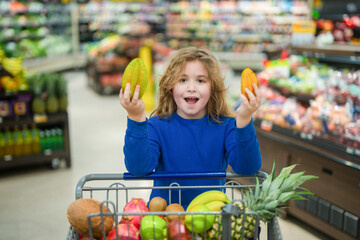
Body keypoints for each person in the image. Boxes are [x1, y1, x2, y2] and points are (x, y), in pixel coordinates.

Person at [119, 47, 262, 209]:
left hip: (211, 218)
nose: (191, 87)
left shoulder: (226, 126)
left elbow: (248, 167)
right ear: (170, 86)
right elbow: (138, 169)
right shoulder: (156, 126)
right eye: (182, 80)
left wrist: (244, 119)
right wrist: (136, 117)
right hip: (164, 219)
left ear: (212, 87)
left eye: (201, 81)